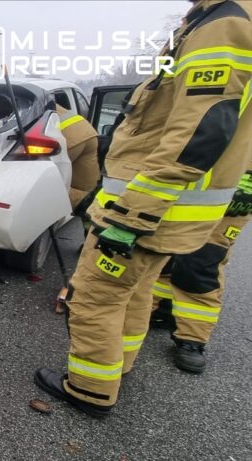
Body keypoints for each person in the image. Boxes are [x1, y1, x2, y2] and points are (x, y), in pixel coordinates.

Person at [34, 0, 252, 417]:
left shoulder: (224, 26)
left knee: (95, 297)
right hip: (169, 216)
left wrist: (131, 214)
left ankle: (89, 389)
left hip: (148, 211)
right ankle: (121, 364)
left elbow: (200, 131)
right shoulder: (209, 22)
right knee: (133, 292)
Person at [149, 170, 251, 373]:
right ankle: (164, 308)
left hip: (227, 197)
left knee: (200, 265)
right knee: (166, 255)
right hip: (183, 188)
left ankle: (192, 339)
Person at [56, 104, 101, 213]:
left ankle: (86, 209)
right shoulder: (41, 94)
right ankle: (92, 208)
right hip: (85, 131)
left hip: (65, 136)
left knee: (46, 180)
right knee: (85, 183)